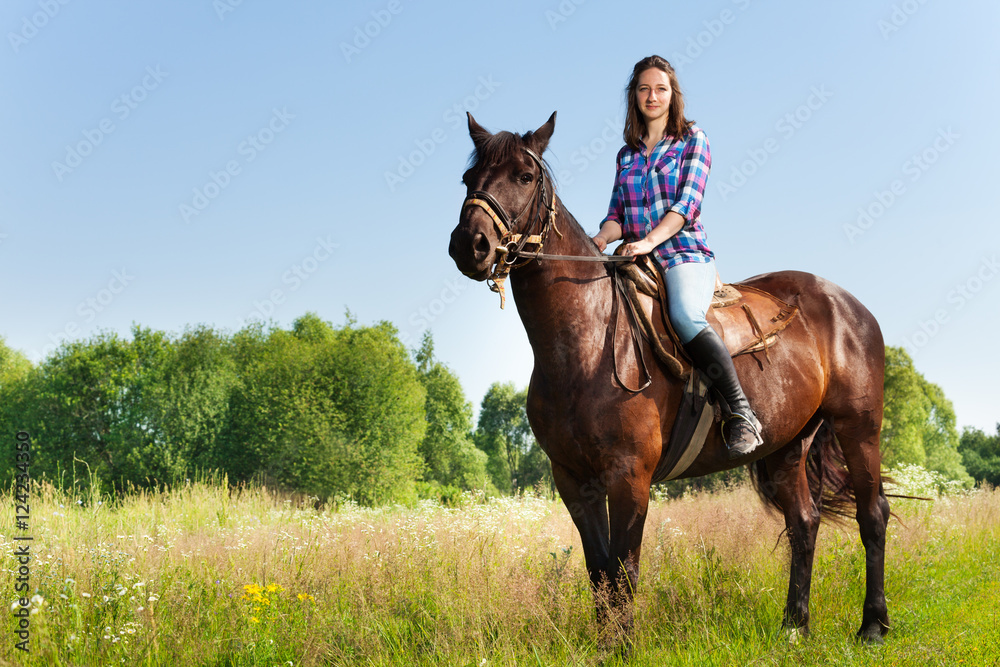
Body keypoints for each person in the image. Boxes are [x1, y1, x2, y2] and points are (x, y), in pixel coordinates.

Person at [591, 55, 762, 458]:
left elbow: (687, 205)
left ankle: (741, 412)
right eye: (644, 89)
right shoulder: (626, 155)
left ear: (673, 95)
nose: (653, 96)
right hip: (634, 255)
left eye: (661, 89)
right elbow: (617, 214)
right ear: (634, 96)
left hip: (684, 253)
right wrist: (599, 239)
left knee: (685, 315)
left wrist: (649, 241)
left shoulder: (693, 138)